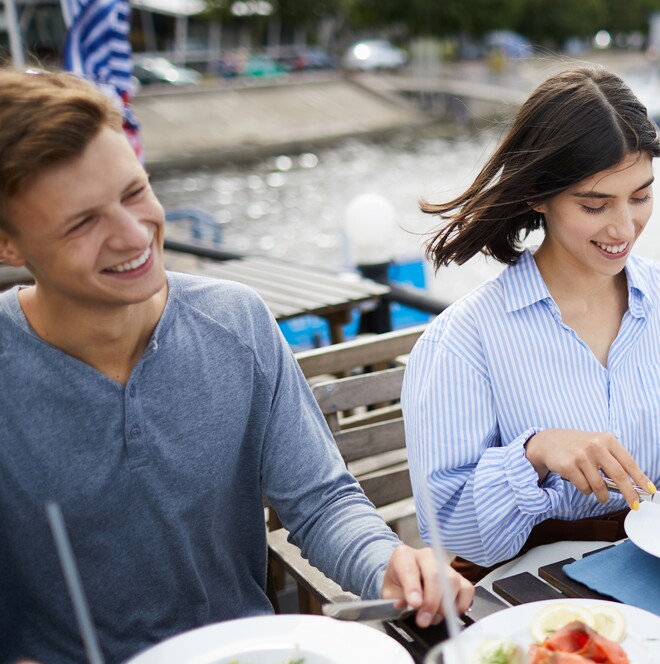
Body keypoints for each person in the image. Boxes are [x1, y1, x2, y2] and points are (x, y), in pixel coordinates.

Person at [0, 69, 473, 664]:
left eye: (134, 192)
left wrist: (391, 564)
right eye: (82, 221)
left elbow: (322, 502)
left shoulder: (238, 322)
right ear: (8, 244)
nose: (132, 234)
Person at [403, 66, 660, 579]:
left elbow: (647, 430)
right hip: (533, 591)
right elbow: (449, 531)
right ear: (537, 195)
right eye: (595, 205)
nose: (624, 228)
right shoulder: (463, 340)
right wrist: (537, 452)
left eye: (641, 196)